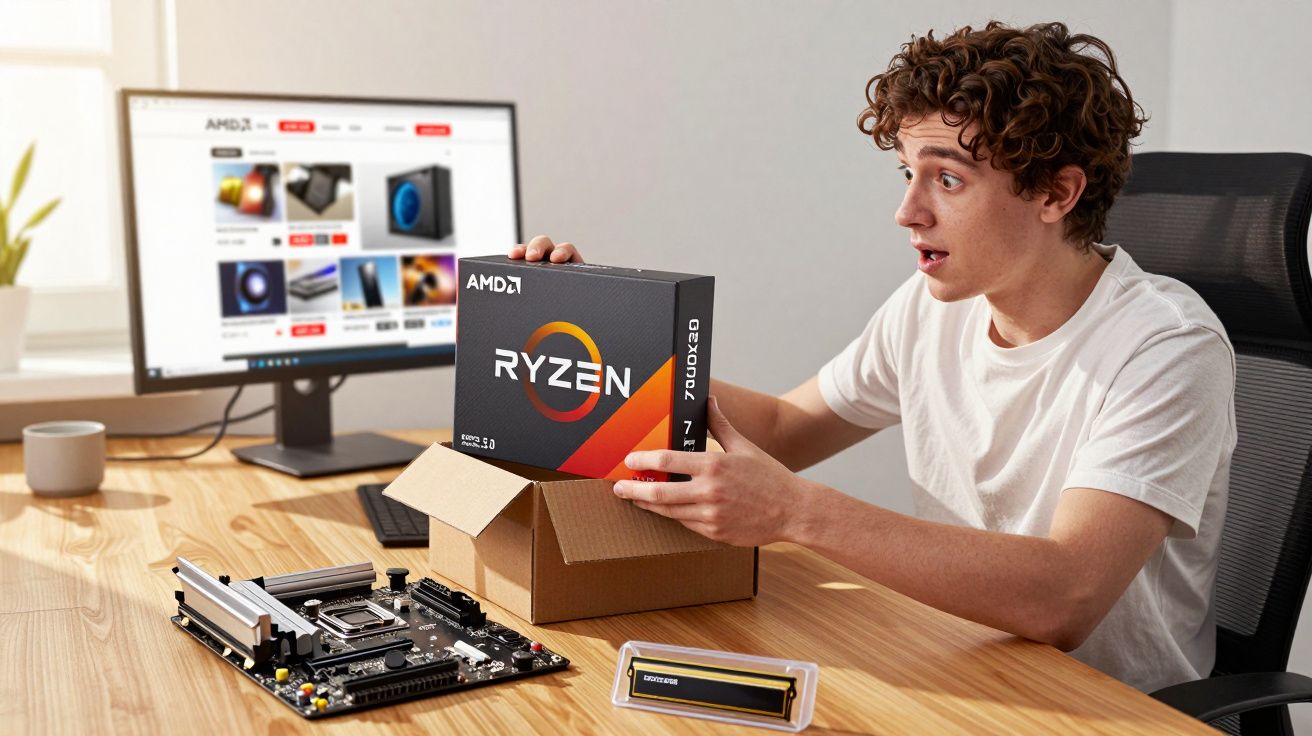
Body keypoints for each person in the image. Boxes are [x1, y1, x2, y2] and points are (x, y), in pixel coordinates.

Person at [508, 20, 1235, 693]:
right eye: (906, 174)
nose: (908, 211)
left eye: (946, 179)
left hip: (1107, 710)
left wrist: (795, 512)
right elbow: (789, 428)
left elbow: (1065, 596)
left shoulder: (1167, 345)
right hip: (963, 667)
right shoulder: (931, 307)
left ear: (1056, 193)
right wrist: (611, 346)